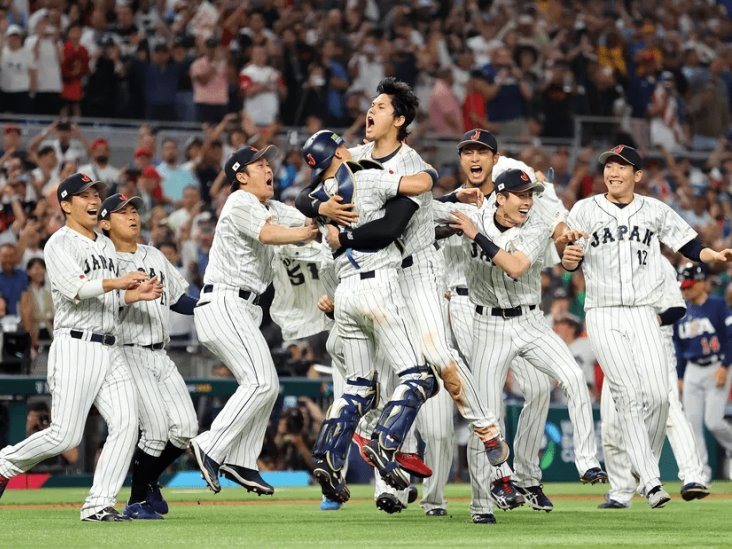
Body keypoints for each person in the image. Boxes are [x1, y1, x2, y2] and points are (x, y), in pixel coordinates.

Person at [297, 81, 508, 518]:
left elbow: (398, 218)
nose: (369, 112)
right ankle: (383, 457)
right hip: (379, 279)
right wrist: (321, 210)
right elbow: (305, 194)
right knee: (391, 372)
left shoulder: (413, 165)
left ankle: (486, 431)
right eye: (370, 105)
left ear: (400, 119)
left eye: (379, 106)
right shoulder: (355, 155)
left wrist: (431, 192)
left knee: (435, 357)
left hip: (418, 269)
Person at [561, 144, 732, 508]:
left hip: (643, 313)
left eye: (623, 167)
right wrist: (570, 258)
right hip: (604, 311)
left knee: (658, 397)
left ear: (637, 175)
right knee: (625, 394)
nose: (614, 171)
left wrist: (711, 256)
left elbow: (688, 243)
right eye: (609, 165)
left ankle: (645, 467)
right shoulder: (585, 209)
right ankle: (652, 482)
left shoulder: (653, 209)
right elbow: (569, 254)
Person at [298, 129, 450, 505]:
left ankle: (328, 459)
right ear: (336, 153)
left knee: (358, 387)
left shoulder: (318, 196)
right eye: (341, 146)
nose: (349, 148)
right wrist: (430, 172)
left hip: (344, 292)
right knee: (419, 377)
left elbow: (304, 200)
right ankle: (387, 441)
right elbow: (417, 184)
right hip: (378, 285)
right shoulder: (364, 175)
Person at [0, 172, 162, 521]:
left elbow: (112, 298)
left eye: (95, 194)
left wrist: (135, 294)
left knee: (126, 423)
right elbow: (79, 289)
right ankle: (4, 463)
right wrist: (119, 281)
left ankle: (99, 504)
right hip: (76, 345)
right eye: (84, 195)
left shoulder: (104, 245)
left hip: (110, 346)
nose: (93, 200)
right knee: (64, 436)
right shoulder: (58, 243)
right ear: (65, 204)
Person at [449, 168, 606, 523]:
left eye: (530, 194)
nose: (527, 201)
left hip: (531, 321)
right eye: (520, 194)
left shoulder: (535, 224)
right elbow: (430, 218)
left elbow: (516, 266)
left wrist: (477, 236)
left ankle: (587, 462)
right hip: (487, 324)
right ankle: (481, 504)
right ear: (499, 197)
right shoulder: (472, 217)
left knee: (572, 377)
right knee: (486, 418)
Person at [189, 145, 317, 496]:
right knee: (261, 383)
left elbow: (306, 221)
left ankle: (243, 460)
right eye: (259, 164)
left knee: (267, 385)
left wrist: (323, 211)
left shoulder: (269, 207)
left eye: (268, 163)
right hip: (225, 300)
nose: (267, 168)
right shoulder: (239, 200)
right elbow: (269, 235)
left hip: (243, 308)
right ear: (241, 176)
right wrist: (305, 234)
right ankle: (210, 446)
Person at [97, 193, 199, 520]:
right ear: (105, 223)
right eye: (122, 212)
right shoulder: (103, 260)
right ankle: (136, 500)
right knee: (155, 430)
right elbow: (103, 305)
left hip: (160, 352)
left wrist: (212, 305)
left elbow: (179, 298)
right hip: (128, 352)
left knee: (185, 428)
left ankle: (149, 480)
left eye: (134, 211)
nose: (132, 217)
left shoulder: (153, 254)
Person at [601, 259, 709, 509]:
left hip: (655, 342)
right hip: (616, 343)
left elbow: (677, 308)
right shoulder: (606, 258)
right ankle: (620, 491)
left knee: (669, 410)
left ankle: (693, 476)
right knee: (611, 421)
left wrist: (647, 322)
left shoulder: (659, 263)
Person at [674, 263, 732, 486]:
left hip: (716, 365)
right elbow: (678, 346)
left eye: (688, 285)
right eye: (683, 286)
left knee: (714, 421)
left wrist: (725, 366)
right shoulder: (681, 310)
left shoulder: (717, 305)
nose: (685, 290)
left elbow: (729, 337)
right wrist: (679, 375)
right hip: (692, 369)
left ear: (701, 282)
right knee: (692, 425)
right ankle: (700, 474)